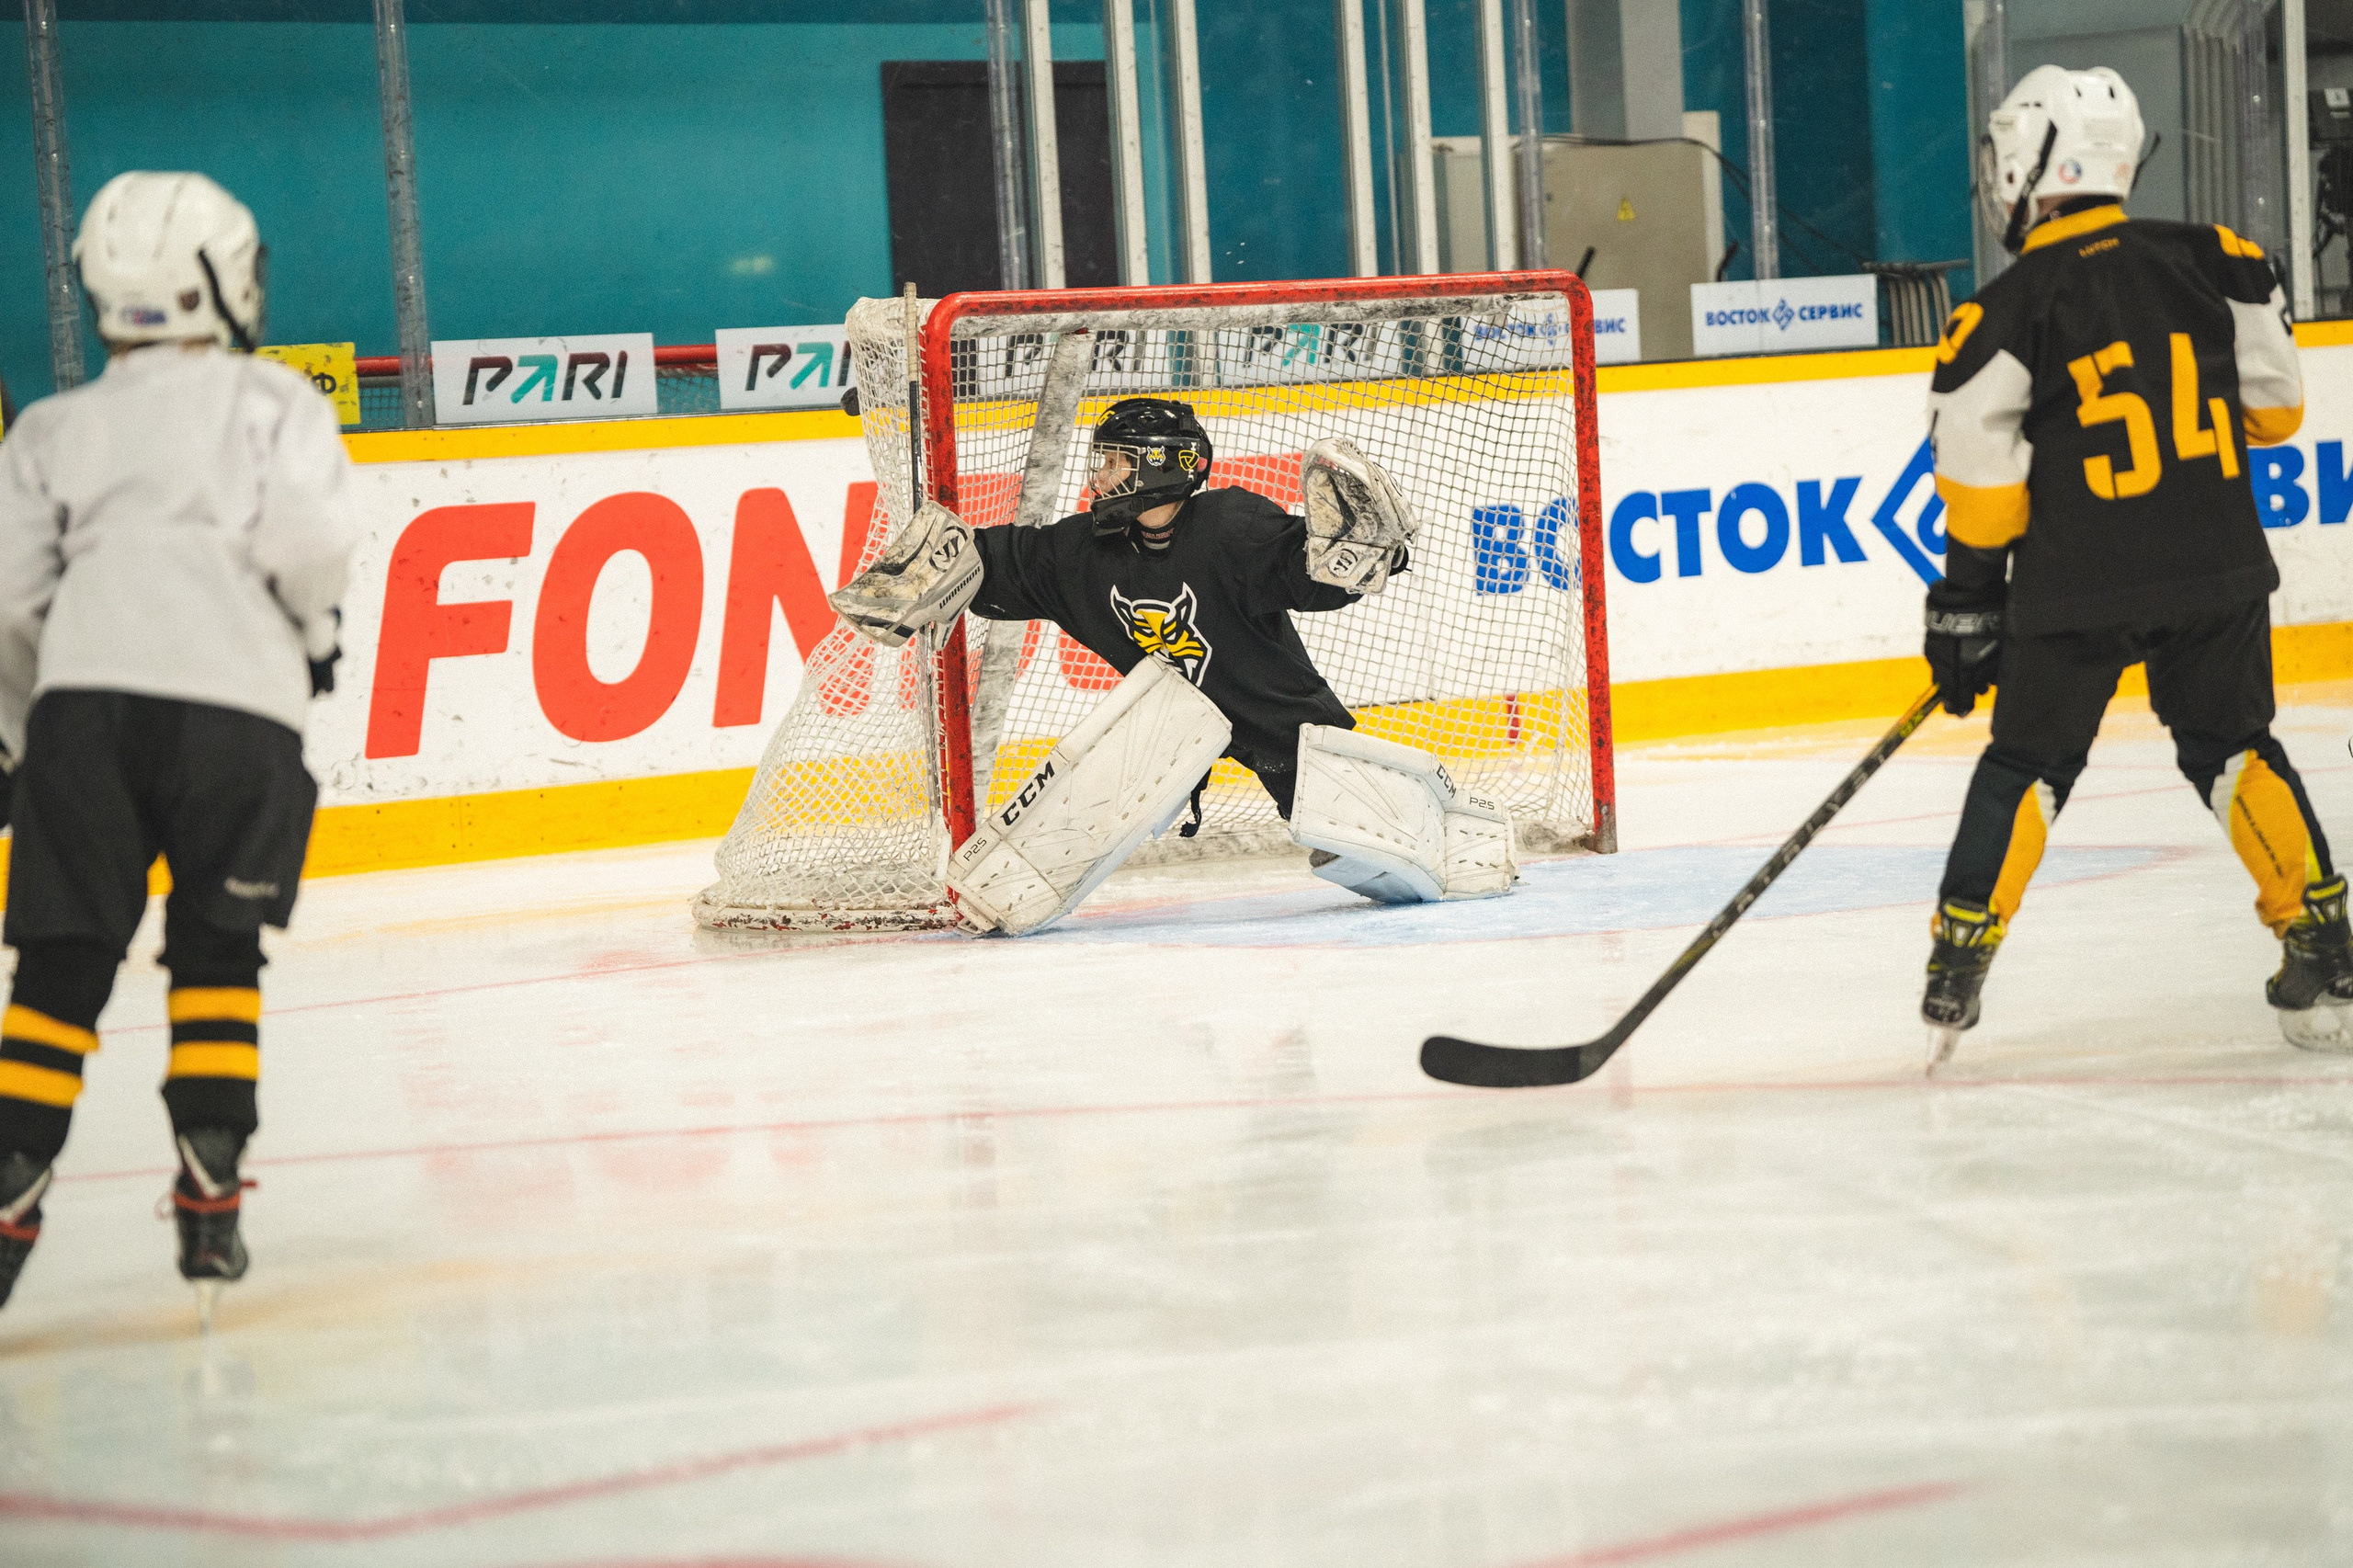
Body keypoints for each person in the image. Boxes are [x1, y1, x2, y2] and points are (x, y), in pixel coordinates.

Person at [1920, 65, 2339, 1065]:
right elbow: (2277, 412)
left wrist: (1965, 605)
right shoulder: (2222, 259)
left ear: (2031, 162)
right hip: (2217, 568)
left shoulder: (2003, 309)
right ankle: (2319, 928)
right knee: (2237, 745)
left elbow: (1982, 486)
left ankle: (1957, 959)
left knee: (2027, 762)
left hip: (2077, 584)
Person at [0, 172, 358, 1322]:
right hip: (237, 707)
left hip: (83, 709)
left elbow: (9, 602)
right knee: (217, 952)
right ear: (226, 278)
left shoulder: (52, 426)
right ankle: (210, 1206)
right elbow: (307, 539)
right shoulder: (274, 403)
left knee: (58, 965)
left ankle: (12, 1188)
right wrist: (313, 634)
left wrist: (25, 732)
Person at [828, 396, 1515, 935]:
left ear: (1162, 464)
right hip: (1171, 728)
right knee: (1115, 751)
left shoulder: (1230, 528)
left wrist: (1362, 554)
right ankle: (1012, 880)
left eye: (1115, 462)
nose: (1099, 476)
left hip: (1281, 727)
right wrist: (941, 564)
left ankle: (1463, 833)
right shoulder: (1082, 552)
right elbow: (996, 560)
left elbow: (1308, 574)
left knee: (1366, 854)